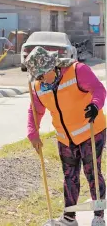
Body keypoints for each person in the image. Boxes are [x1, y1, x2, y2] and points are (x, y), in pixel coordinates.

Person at [25, 46, 106, 226]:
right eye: (37, 76)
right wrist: (32, 132)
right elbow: (35, 110)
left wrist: (95, 105)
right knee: (70, 176)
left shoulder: (78, 71)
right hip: (65, 138)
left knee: (92, 173)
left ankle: (99, 216)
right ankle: (69, 218)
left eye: (41, 74)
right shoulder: (39, 86)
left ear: (52, 67)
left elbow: (98, 89)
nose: (40, 79)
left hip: (91, 131)